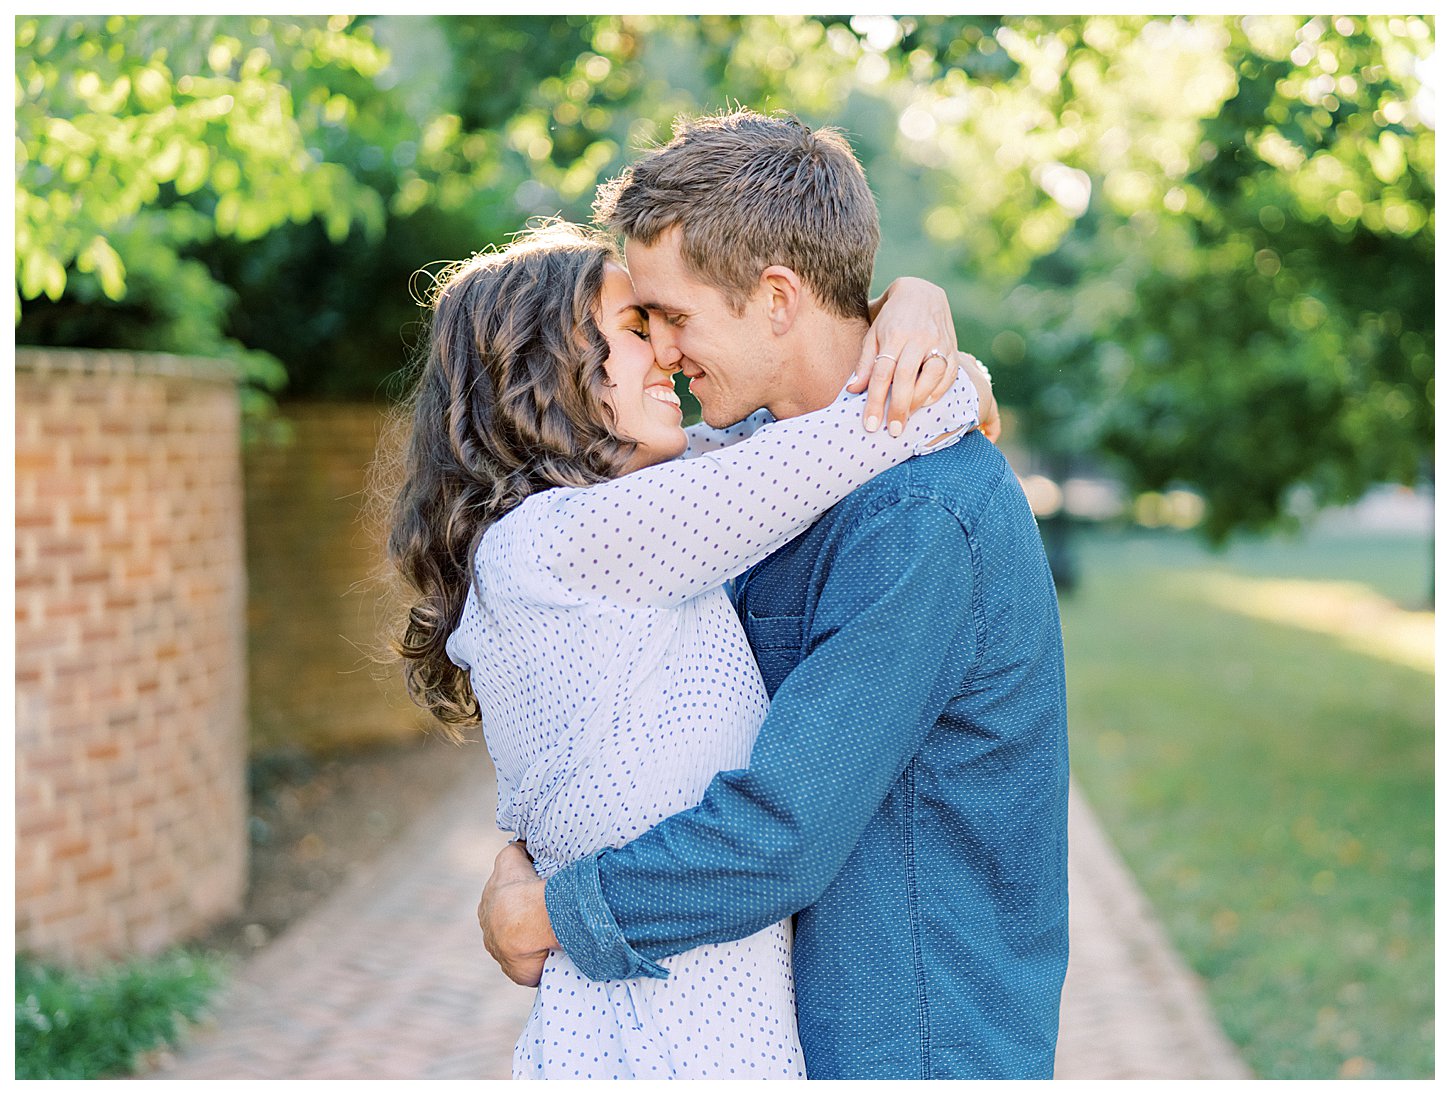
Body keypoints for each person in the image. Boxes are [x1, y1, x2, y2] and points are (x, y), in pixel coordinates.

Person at [478, 109, 1070, 1080]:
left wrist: (554, 912)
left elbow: (779, 835)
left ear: (778, 299)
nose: (659, 352)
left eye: (672, 316)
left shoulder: (917, 514)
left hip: (901, 1045)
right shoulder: (753, 477)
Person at [384, 213, 983, 1079]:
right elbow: (875, 427)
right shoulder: (565, 544)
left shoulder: (593, 527)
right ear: (545, 366)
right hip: (659, 1049)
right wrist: (947, 369)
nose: (666, 354)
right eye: (634, 329)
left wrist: (914, 307)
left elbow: (786, 422)